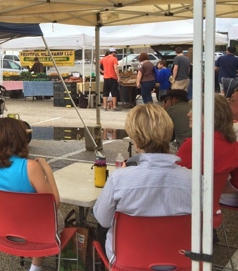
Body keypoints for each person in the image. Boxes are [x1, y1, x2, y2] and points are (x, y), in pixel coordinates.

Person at [93, 104, 192, 261]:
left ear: (136, 140)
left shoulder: (119, 179)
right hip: (181, 260)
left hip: (128, 260)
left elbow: (103, 220)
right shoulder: (195, 181)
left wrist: (122, 174)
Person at [0, 117, 63, 271]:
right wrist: (47, 170)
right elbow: (54, 204)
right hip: (33, 233)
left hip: (0, 230)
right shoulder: (30, 167)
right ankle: (36, 267)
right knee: (56, 218)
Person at [177, 94, 238, 216]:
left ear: (212, 116)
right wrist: (216, 190)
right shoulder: (233, 145)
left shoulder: (193, 146)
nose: (188, 114)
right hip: (213, 211)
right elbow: (236, 184)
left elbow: (171, 182)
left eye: (194, 111)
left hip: (184, 214)